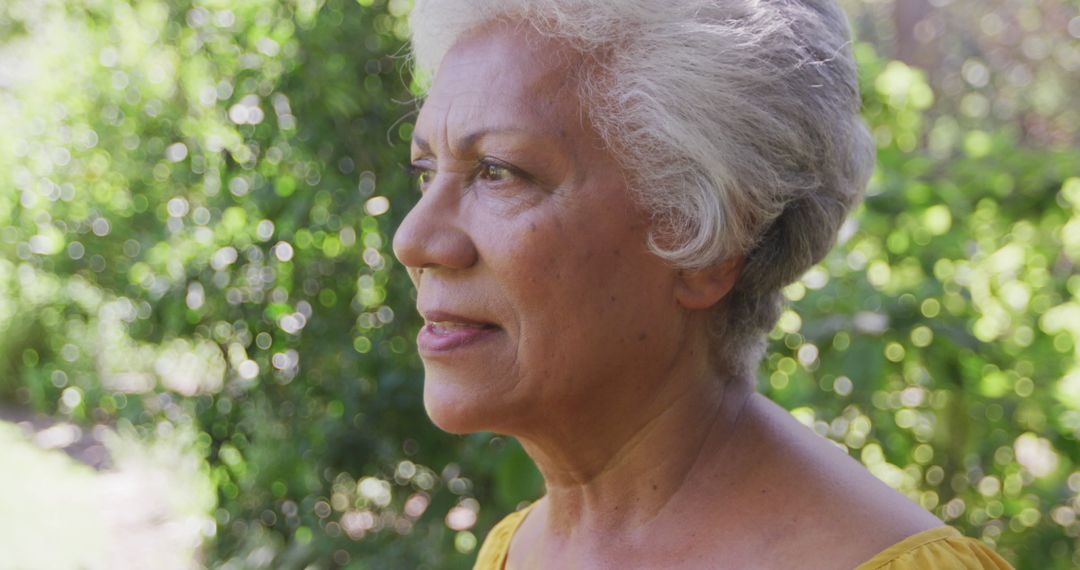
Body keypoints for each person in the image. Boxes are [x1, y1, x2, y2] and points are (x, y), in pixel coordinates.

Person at [392, 1, 1014, 568]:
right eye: (426, 170)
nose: (413, 241)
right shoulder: (514, 552)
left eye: (497, 172)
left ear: (706, 244)